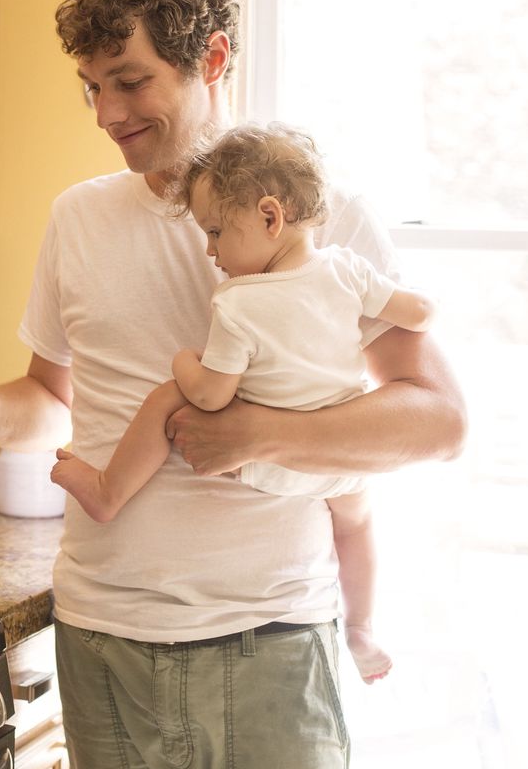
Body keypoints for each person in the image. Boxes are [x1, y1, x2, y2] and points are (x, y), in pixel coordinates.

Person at [0, 0, 466, 769]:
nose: (107, 114)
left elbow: (439, 419)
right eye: (91, 88)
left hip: (271, 643)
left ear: (212, 57)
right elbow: (52, 396)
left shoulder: (311, 212)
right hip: (103, 642)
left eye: (130, 81)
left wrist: (254, 433)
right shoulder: (78, 218)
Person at [51, 121, 437, 685]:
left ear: (269, 217)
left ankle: (108, 490)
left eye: (214, 233)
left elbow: (211, 393)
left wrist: (183, 360)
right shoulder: (347, 270)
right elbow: (418, 312)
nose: (209, 251)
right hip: (333, 467)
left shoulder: (239, 303)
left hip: (265, 469)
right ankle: (361, 629)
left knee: (167, 399)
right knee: (357, 526)